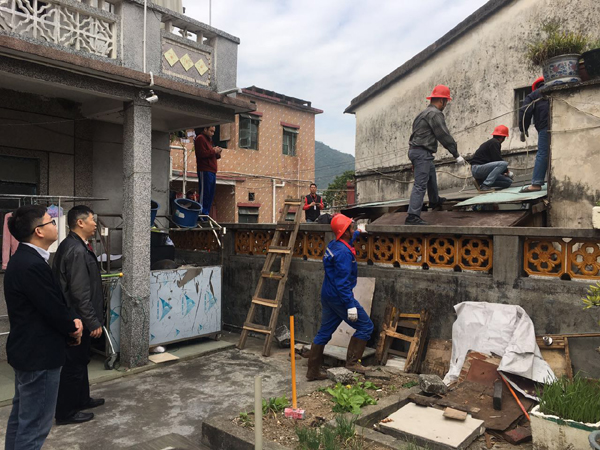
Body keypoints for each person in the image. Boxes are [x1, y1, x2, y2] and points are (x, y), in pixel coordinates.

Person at [4, 205, 82, 450]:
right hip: (40, 355)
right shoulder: (32, 265)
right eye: (51, 221)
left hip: (28, 351)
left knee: (21, 419)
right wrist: (73, 326)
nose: (55, 225)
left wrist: (70, 319)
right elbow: (52, 308)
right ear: (39, 231)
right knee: (34, 426)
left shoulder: (24, 259)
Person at [52, 205, 105, 425]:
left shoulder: (76, 245)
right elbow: (80, 292)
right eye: (92, 219)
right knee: (73, 365)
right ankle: (66, 412)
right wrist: (92, 321)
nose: (95, 223)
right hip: (77, 318)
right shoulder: (75, 250)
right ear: (80, 222)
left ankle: (82, 399)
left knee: (81, 360)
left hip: (77, 315)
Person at [306, 214, 374, 381]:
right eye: (351, 228)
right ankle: (352, 363)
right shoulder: (344, 254)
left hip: (328, 294)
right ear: (344, 232)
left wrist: (358, 232)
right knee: (366, 326)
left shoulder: (334, 245)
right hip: (339, 296)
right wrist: (350, 305)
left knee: (324, 332)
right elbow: (342, 284)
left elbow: (347, 242)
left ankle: (312, 371)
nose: (352, 229)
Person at [406, 85, 466, 225]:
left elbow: (416, 135)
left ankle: (434, 200)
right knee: (420, 185)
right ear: (442, 100)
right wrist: (456, 154)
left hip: (416, 151)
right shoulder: (435, 114)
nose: (445, 105)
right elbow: (443, 135)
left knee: (431, 173)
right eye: (446, 102)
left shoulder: (422, 114)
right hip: (422, 152)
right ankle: (412, 216)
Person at [519, 76, 549, 193]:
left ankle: (536, 183)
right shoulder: (556, 88)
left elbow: (525, 111)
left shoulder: (534, 94)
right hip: (562, 124)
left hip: (545, 126)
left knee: (543, 153)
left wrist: (523, 129)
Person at [470, 125, 514, 191]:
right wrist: (507, 171)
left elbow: (494, 162)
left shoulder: (492, 143)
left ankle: (481, 182)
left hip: (483, 170)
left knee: (508, 182)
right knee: (504, 164)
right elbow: (497, 159)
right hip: (478, 169)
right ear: (502, 137)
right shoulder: (494, 142)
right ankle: (486, 185)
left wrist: (503, 172)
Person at [194, 126, 222, 217]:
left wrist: (217, 152)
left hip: (212, 170)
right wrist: (214, 151)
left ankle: (206, 214)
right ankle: (201, 214)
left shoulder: (209, 140)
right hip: (205, 169)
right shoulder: (200, 138)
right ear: (205, 129)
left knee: (210, 193)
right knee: (205, 193)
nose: (212, 134)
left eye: (213, 132)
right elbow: (201, 154)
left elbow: (211, 154)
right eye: (211, 131)